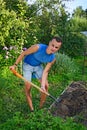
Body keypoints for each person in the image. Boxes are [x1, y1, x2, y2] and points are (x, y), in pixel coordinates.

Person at [10, 36, 62, 112]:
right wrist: (15, 65)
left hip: (38, 66)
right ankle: (32, 110)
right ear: (49, 43)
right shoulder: (38, 47)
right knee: (28, 87)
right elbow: (23, 53)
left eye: (56, 47)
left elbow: (45, 72)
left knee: (46, 86)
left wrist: (42, 85)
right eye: (52, 45)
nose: (53, 48)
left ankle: (40, 108)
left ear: (58, 49)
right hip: (27, 65)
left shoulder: (52, 58)